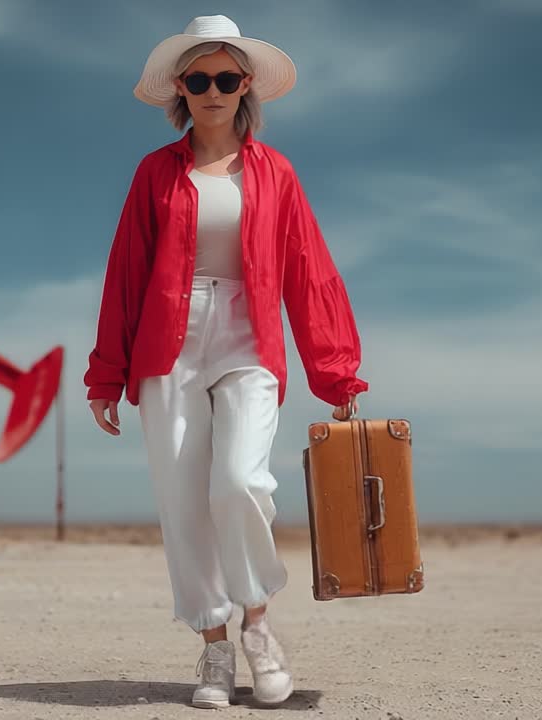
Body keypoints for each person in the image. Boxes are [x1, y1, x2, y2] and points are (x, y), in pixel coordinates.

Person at [83, 14, 368, 710]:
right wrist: (106, 375)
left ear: (246, 88)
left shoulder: (277, 175)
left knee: (239, 482)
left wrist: (335, 370)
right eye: (200, 78)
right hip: (165, 344)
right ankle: (214, 651)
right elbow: (126, 272)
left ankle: (259, 628)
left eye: (228, 77)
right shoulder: (155, 173)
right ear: (181, 87)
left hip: (247, 335)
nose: (214, 90)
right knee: (184, 504)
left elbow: (309, 272)